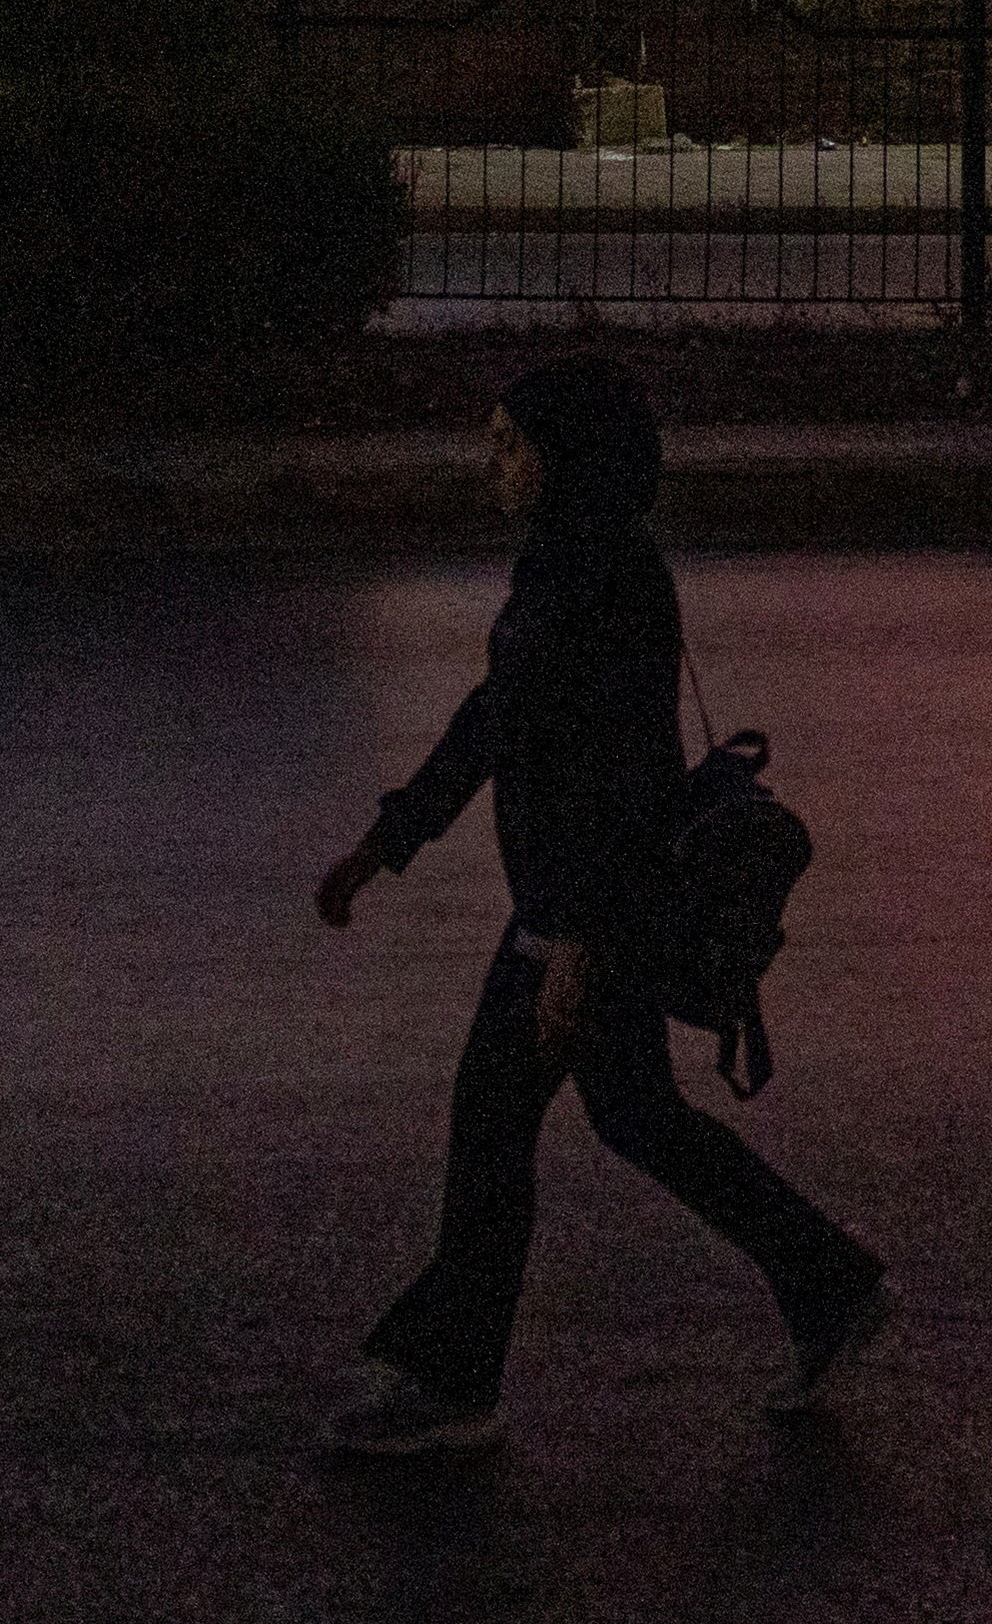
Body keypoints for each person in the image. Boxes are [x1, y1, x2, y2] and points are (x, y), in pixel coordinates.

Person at [315, 355, 886, 1454]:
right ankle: (829, 1285)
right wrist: (386, 844)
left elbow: (618, 771)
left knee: (494, 1116)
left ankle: (452, 1380)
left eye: (510, 447)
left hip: (582, 903)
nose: (494, 467)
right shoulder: (564, 566)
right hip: (580, 900)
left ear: (565, 456)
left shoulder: (607, 580)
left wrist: (574, 935)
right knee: (634, 1116)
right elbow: (497, 717)